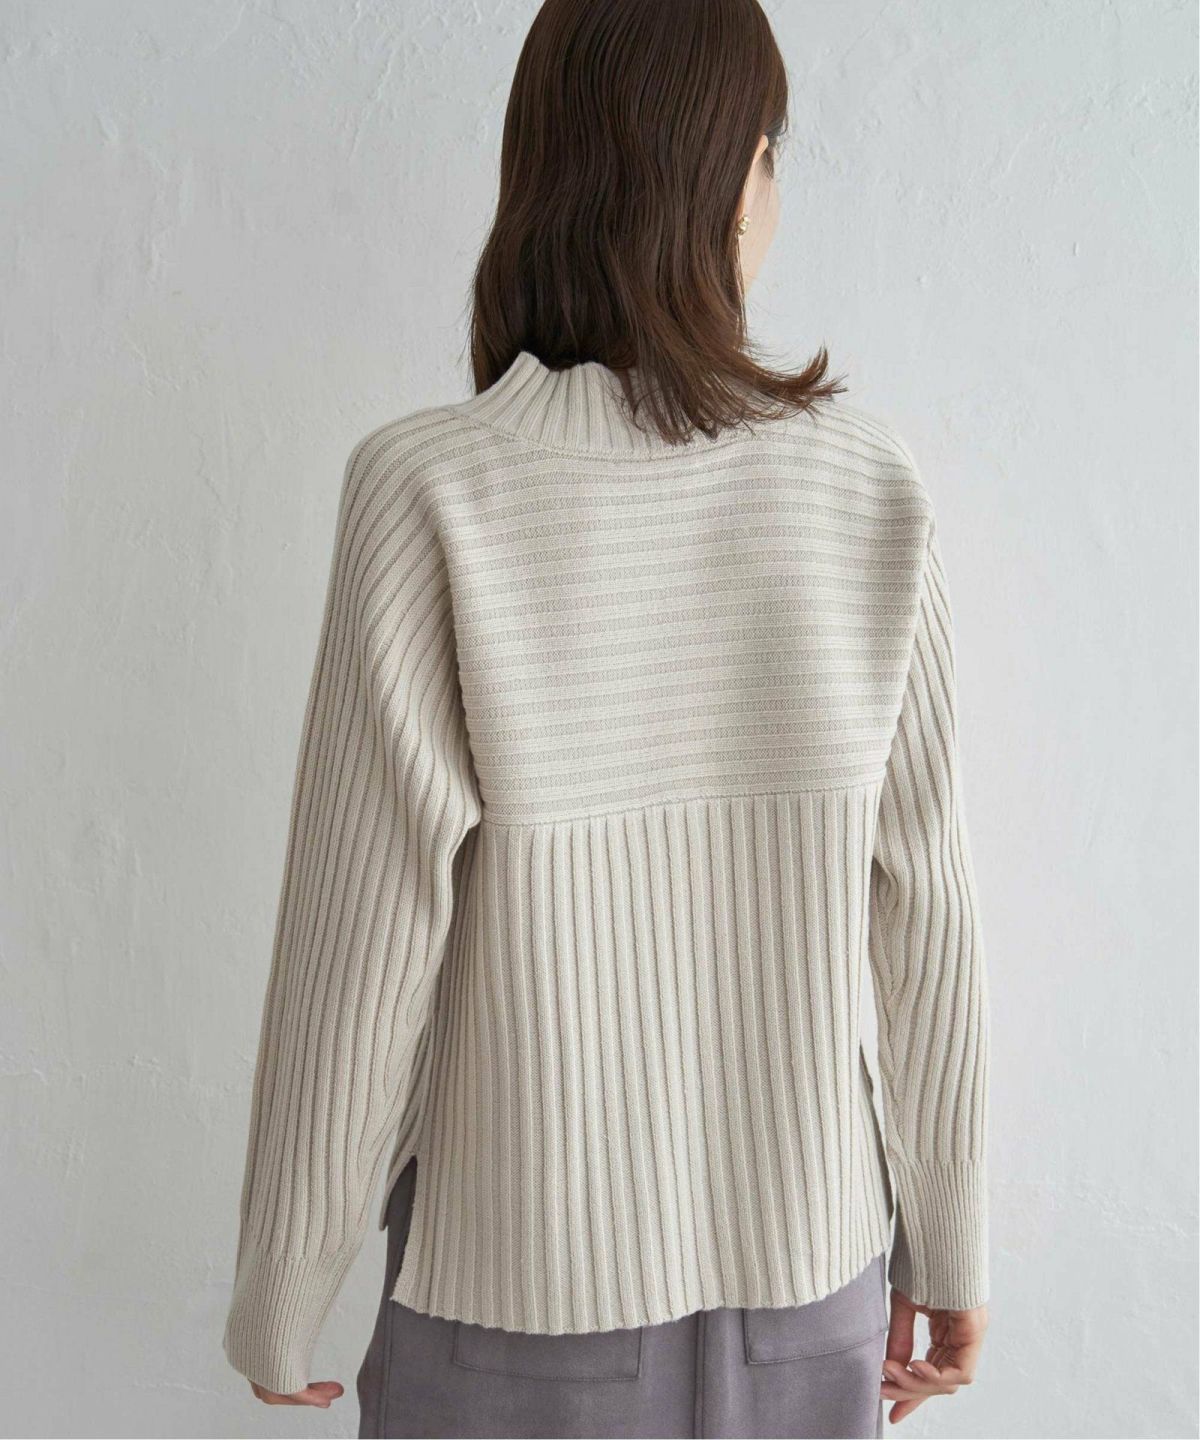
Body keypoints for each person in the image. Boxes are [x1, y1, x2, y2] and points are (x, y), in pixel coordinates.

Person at [222, 1, 991, 1435]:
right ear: (735, 181)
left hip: (514, 1294)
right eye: (772, 155)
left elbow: (360, 940)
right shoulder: (866, 483)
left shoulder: (431, 487)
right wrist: (951, 1243)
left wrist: (284, 1282)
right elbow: (927, 906)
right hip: (815, 1286)